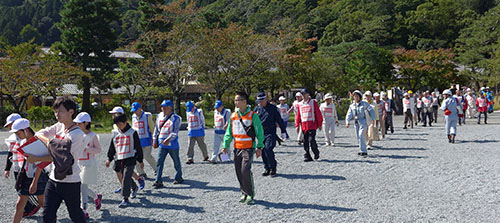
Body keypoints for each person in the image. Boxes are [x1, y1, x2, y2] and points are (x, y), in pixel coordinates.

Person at [34, 96, 87, 222]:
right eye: (56, 111)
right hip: (53, 179)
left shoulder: (77, 134)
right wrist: (50, 142)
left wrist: (48, 143)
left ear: (71, 112)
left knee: (75, 215)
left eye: (61, 111)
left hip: (71, 181)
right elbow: (39, 133)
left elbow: (60, 155)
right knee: (47, 215)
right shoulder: (59, 126)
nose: (57, 114)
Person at [222, 92, 264, 205]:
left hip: (248, 148)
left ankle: (250, 194)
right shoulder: (233, 116)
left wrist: (260, 146)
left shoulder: (253, 116)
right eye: (235, 100)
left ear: (244, 102)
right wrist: (225, 145)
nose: (235, 102)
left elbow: (260, 132)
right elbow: (229, 133)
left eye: (238, 100)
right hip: (237, 148)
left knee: (245, 170)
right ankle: (244, 192)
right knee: (238, 171)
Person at [12, 118, 49, 223]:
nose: (17, 135)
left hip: (39, 176)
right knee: (20, 205)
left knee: (43, 204)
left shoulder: (38, 140)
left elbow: (41, 164)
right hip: (27, 175)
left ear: (26, 130)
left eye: (18, 133)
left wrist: (35, 181)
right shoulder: (23, 141)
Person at [105, 113, 144, 208]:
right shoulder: (115, 133)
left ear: (126, 122)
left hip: (130, 158)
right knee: (124, 176)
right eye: (117, 124)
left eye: (121, 124)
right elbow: (112, 147)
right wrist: (109, 159)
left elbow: (138, 147)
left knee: (126, 177)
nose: (119, 126)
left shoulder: (132, 132)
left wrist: (140, 160)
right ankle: (134, 187)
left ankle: (125, 198)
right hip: (119, 159)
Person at [73, 112, 102, 218]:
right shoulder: (76, 135)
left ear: (86, 123)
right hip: (78, 164)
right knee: (81, 187)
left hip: (89, 164)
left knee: (82, 186)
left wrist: (87, 149)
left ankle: (84, 210)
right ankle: (96, 197)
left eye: (79, 123)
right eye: (76, 123)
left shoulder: (92, 136)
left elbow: (99, 150)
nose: (77, 125)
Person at [152, 100, 184, 188]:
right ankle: (158, 180)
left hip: (172, 144)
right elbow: (156, 129)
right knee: (159, 162)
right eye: (162, 107)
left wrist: (168, 139)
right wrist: (155, 139)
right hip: (162, 143)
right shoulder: (159, 116)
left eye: (165, 107)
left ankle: (178, 177)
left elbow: (175, 131)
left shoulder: (176, 118)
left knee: (176, 161)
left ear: (170, 108)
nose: (163, 109)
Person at [254, 92, 287, 177]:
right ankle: (267, 167)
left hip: (270, 132)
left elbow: (279, 120)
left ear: (265, 99)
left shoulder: (273, 108)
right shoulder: (257, 109)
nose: (260, 103)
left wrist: (283, 131)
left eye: (261, 101)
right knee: (263, 150)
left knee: (268, 148)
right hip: (261, 133)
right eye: (258, 101)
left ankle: (273, 167)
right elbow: (252, 121)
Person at [295, 88, 323, 162]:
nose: (304, 96)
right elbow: (298, 115)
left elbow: (318, 113)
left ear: (308, 94)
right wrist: (297, 124)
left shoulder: (313, 102)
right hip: (304, 125)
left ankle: (316, 152)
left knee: (312, 140)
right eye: (303, 94)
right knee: (305, 141)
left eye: (305, 94)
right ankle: (307, 155)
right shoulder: (300, 104)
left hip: (312, 124)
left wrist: (319, 123)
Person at [130, 102, 157, 178]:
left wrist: (153, 138)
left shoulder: (147, 115)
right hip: (137, 141)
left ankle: (157, 169)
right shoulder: (133, 117)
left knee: (147, 156)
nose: (135, 112)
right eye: (133, 110)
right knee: (137, 157)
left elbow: (152, 127)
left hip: (147, 139)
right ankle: (141, 172)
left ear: (140, 109)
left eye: (136, 110)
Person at [346, 90, 376, 157]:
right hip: (356, 122)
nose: (356, 97)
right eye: (354, 96)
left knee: (361, 134)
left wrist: (373, 119)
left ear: (360, 96)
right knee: (358, 136)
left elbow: (371, 110)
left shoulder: (365, 104)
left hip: (363, 121)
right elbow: (349, 114)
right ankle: (361, 149)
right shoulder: (352, 105)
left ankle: (364, 151)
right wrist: (347, 121)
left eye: (357, 96)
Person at [4, 113, 22, 179]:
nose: (9, 127)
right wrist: (7, 169)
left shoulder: (28, 135)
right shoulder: (12, 138)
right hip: (17, 168)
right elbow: (10, 153)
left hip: (28, 169)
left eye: (10, 125)